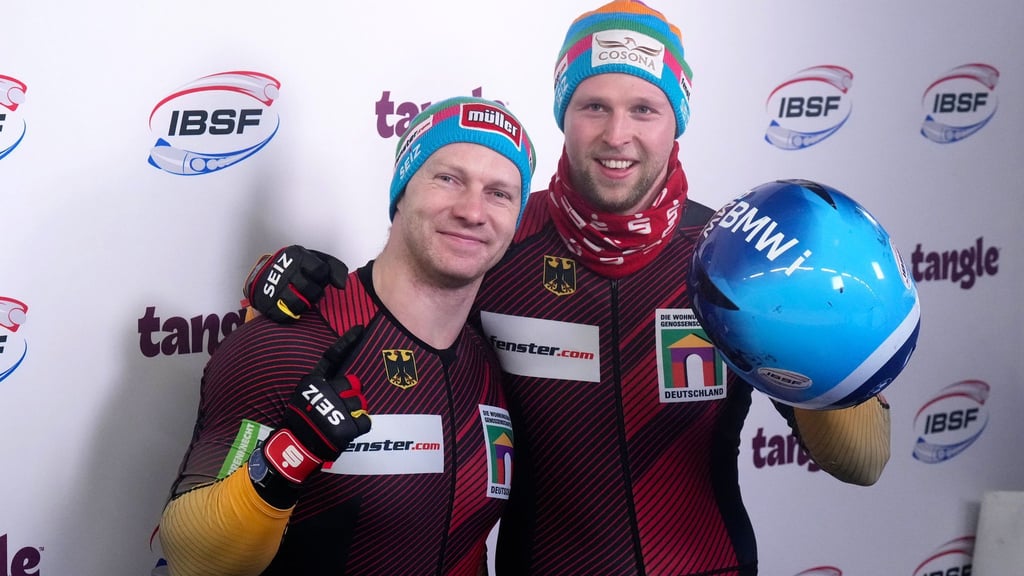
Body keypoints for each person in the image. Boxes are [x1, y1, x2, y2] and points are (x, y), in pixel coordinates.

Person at [249, 2, 891, 574]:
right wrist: (281, 297)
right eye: (594, 107)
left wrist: (819, 333)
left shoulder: (738, 255)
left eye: (644, 108)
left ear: (677, 122)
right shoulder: (494, 234)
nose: (617, 136)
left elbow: (863, 464)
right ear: (564, 114)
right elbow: (386, 308)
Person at [158, 95, 536, 576]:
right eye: (448, 178)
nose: (472, 211)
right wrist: (288, 457)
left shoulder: (488, 362)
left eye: (499, 193)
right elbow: (192, 557)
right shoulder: (284, 345)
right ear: (402, 191)